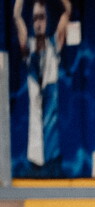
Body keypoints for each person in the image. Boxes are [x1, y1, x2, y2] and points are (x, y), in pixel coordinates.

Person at [13, 0, 71, 177]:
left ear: (47, 20)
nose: (38, 23)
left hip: (52, 151)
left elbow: (67, 11)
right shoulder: (28, 46)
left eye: (42, 17)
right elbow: (16, 16)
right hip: (35, 154)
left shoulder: (54, 44)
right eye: (35, 18)